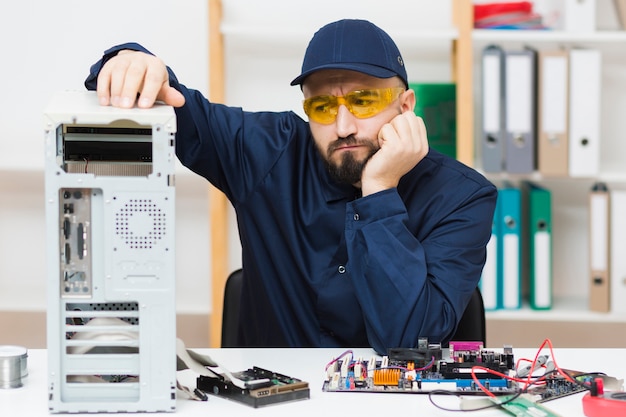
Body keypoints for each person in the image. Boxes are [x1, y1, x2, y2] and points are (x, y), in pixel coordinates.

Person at [85, 19, 497, 354]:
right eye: (322, 107)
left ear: (405, 106)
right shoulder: (268, 152)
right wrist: (133, 62)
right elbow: (176, 103)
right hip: (273, 403)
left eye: (364, 101)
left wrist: (381, 190)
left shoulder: (462, 198)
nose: (343, 127)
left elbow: (409, 342)